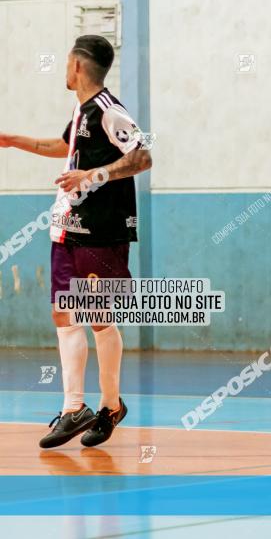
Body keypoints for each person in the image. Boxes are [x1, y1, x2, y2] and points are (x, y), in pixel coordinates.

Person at [0, 35, 152, 447]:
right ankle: (73, 408)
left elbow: (143, 155)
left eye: (67, 61)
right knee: (63, 316)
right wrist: (15, 141)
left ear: (79, 66)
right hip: (68, 227)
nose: (64, 69)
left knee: (99, 318)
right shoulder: (82, 111)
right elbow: (64, 147)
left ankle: (109, 406)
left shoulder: (108, 109)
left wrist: (92, 176)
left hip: (102, 231)